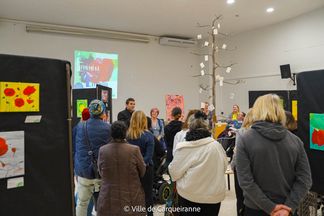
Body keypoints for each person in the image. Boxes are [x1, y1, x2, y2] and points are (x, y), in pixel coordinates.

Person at [236, 94, 312, 216]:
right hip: (287, 210)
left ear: (257, 110)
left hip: (256, 209)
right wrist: (288, 206)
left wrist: (271, 208)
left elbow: (245, 181)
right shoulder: (295, 140)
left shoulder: (245, 139)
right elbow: (305, 180)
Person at [169, 111, 228, 216]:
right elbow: (223, 167)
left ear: (190, 127)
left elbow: (174, 173)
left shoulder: (184, 148)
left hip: (189, 196)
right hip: (213, 197)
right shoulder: (216, 146)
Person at [96, 121, 146, 216]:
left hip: (108, 196)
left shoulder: (103, 150)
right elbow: (142, 171)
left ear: (111, 133)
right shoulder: (134, 150)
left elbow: (100, 171)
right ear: (125, 133)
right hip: (131, 195)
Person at [74, 100, 112, 216]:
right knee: (104, 205)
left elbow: (75, 148)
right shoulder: (108, 128)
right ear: (103, 113)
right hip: (102, 173)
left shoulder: (80, 127)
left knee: (82, 203)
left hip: (83, 172)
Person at [127, 111, 155, 216]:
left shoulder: (128, 135)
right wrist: (141, 166)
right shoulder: (149, 136)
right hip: (146, 170)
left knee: (132, 194)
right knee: (148, 194)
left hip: (131, 168)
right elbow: (148, 157)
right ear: (144, 120)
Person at [231, 109, 254, 216]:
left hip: (241, 168)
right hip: (255, 167)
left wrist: (232, 165)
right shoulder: (259, 132)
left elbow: (237, 151)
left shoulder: (242, 132)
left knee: (240, 197)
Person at [72, 108, 94, 216]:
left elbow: (73, 148)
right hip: (90, 167)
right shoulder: (92, 129)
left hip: (79, 165)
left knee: (82, 194)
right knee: (88, 194)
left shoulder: (77, 128)